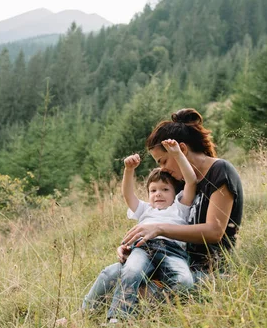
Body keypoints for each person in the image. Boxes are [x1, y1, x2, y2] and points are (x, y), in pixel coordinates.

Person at [82, 108, 243, 317]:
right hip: (173, 261)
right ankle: (82, 317)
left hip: (204, 272)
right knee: (112, 272)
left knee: (145, 290)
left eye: (163, 161)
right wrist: (136, 246)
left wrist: (158, 229)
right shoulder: (183, 183)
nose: (163, 170)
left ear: (181, 150)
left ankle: (124, 317)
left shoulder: (220, 171)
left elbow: (215, 231)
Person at [83, 138, 197, 320]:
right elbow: (128, 195)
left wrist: (177, 154)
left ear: (175, 193)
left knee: (185, 281)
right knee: (131, 271)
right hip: (144, 248)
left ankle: (148, 310)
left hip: (172, 252)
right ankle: (116, 319)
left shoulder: (180, 207)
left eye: (165, 189)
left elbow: (190, 180)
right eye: (153, 191)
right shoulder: (145, 209)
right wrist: (129, 171)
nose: (158, 193)